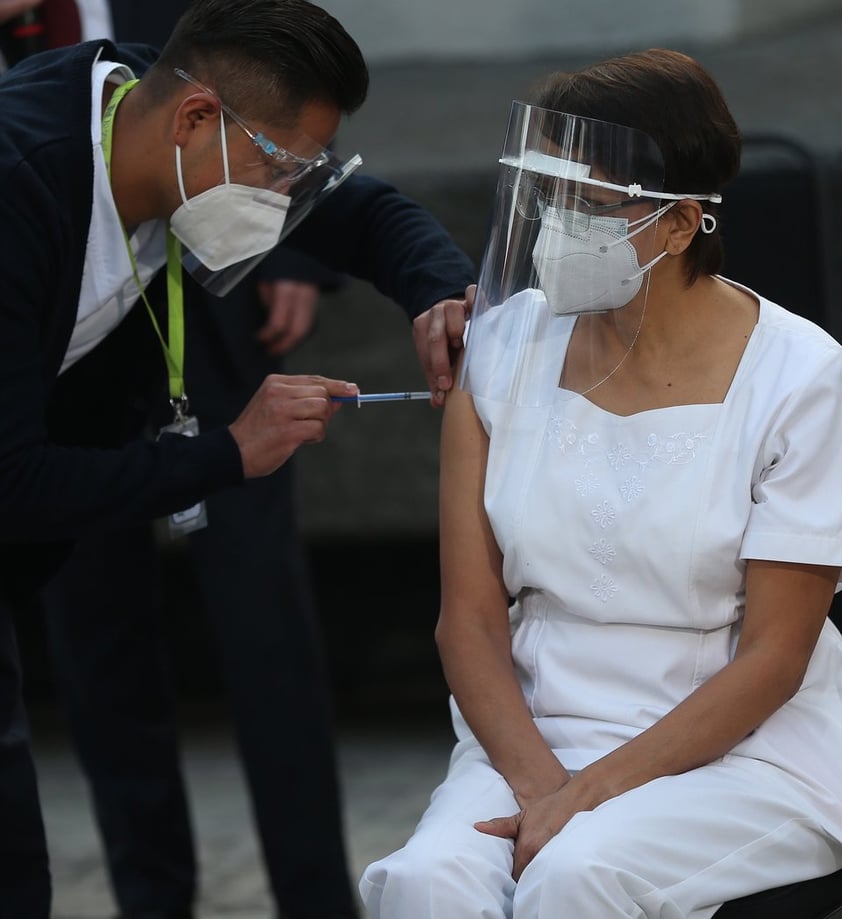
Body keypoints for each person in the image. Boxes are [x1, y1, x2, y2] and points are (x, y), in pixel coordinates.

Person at [0, 2, 474, 917]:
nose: (284, 195)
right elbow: (14, 483)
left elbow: (365, 215)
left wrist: (441, 292)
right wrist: (226, 454)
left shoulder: (151, 106)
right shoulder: (20, 188)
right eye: (278, 168)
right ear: (194, 121)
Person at [360, 48, 842, 918]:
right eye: (546, 194)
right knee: (428, 883)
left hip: (743, 744)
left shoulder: (803, 378)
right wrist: (545, 784)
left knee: (578, 877)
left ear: (681, 221)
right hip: (533, 728)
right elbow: (465, 619)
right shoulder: (503, 347)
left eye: (588, 203)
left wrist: (585, 802)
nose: (557, 223)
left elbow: (776, 656)